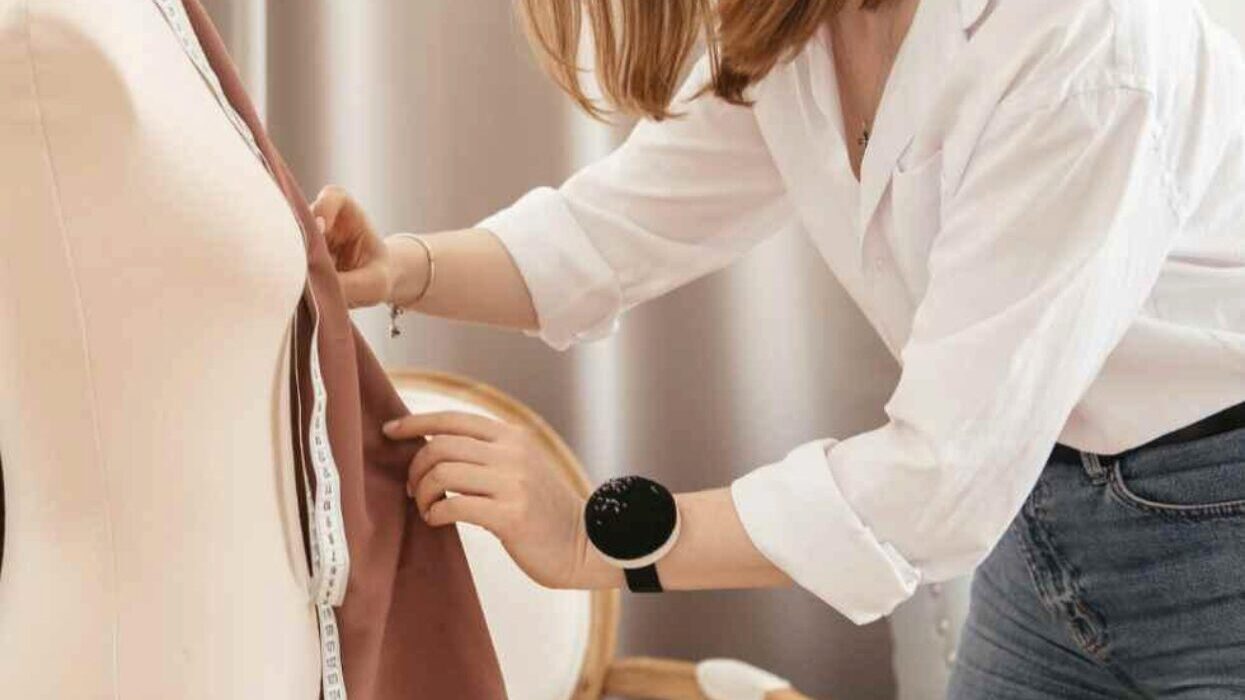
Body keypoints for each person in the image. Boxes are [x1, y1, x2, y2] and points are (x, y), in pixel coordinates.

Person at [313, 0, 1245, 696]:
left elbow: (935, 482)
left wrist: (593, 538)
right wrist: (400, 269)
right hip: (1038, 524)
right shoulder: (804, 27)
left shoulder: (1082, 45)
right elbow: (612, 230)